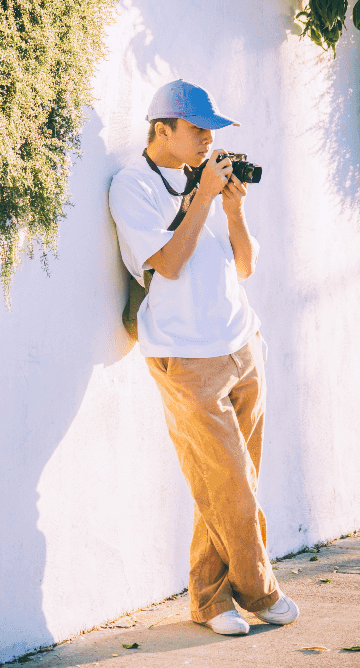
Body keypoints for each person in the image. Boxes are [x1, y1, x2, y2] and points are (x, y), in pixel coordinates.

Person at [108, 79, 297, 636]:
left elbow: (244, 266)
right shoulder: (132, 185)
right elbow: (167, 262)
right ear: (161, 129)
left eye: (213, 130)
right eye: (198, 129)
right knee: (230, 482)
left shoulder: (208, 182)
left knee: (230, 484)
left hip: (242, 343)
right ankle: (260, 591)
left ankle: (210, 601)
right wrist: (203, 199)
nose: (208, 139)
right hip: (186, 358)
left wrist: (232, 210)